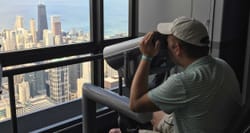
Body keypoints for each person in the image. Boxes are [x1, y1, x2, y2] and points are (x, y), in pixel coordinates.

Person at [110, 16, 242, 133]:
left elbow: (135, 104)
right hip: (215, 125)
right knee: (156, 115)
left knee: (114, 132)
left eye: (167, 42)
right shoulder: (223, 65)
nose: (165, 46)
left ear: (177, 49)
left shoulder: (183, 82)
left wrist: (146, 57)